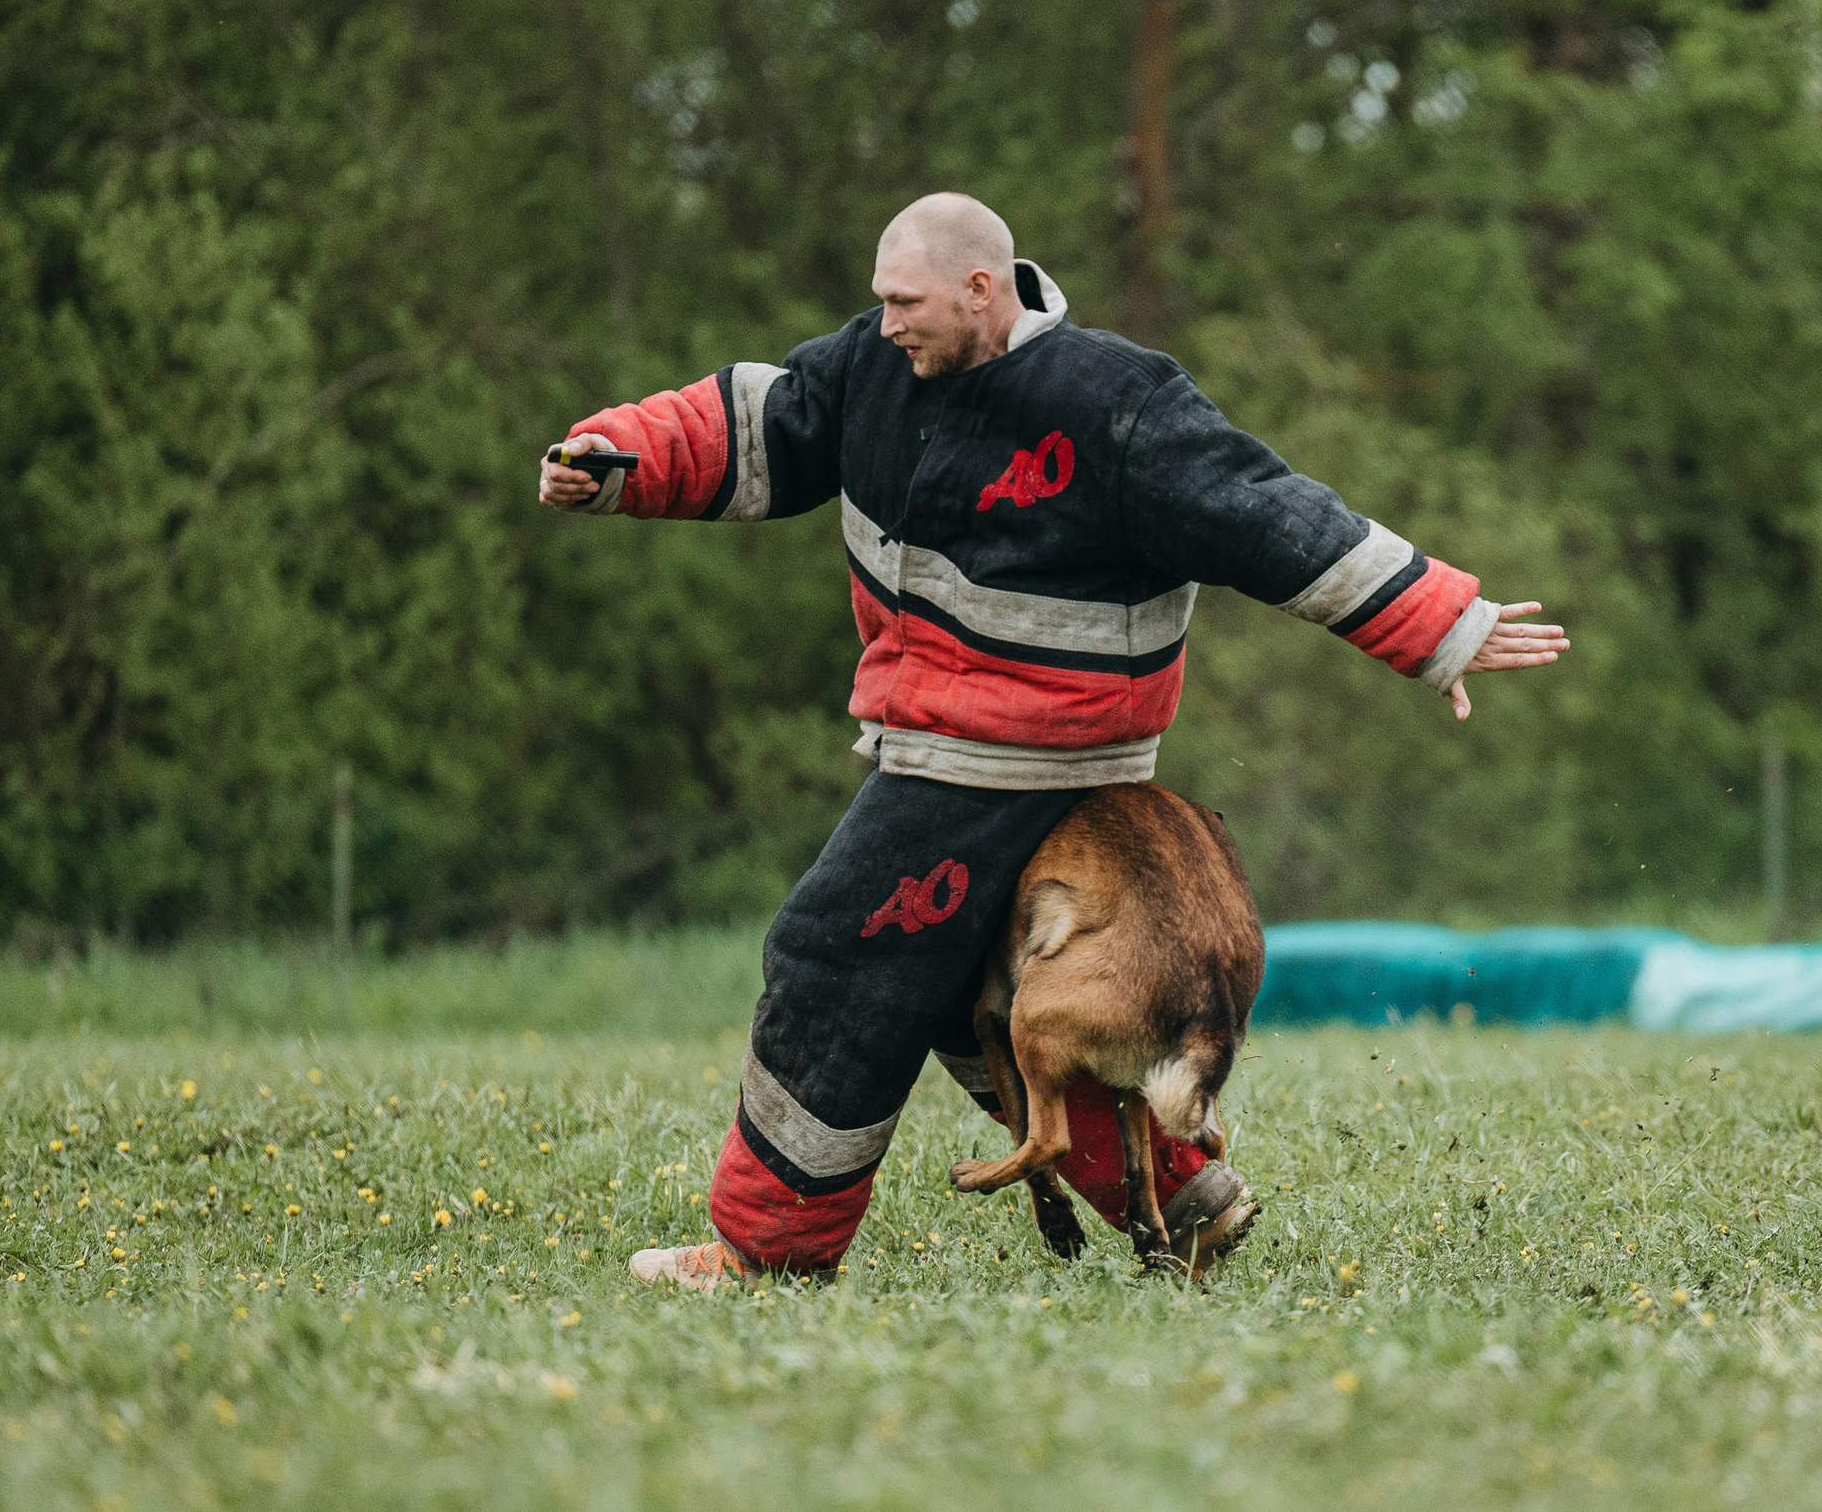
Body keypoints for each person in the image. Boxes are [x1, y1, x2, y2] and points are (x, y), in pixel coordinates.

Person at [541, 193, 1567, 1289]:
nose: (884, 324)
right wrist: (621, 459)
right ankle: (1180, 1199)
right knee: (949, 993)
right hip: (933, 740)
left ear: (983, 290)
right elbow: (764, 421)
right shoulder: (877, 365)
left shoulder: (1116, 402)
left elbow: (1263, 510)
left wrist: (1437, 624)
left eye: (906, 303)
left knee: (830, 959)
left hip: (1005, 762)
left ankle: (767, 1253)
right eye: (878, 302)